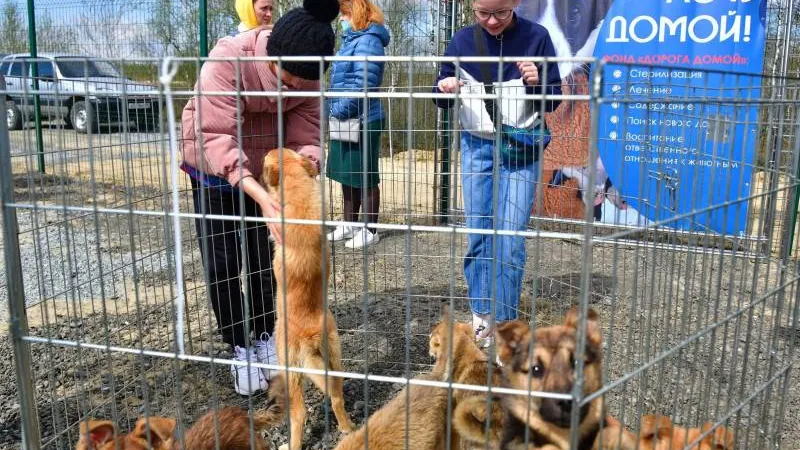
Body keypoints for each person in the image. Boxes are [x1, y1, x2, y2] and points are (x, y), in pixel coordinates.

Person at [180, 0, 339, 396]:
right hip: (215, 167)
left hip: (265, 169)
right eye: (287, 82)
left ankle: (266, 335)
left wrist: (306, 162)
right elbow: (215, 135)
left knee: (261, 257)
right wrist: (259, 195)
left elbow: (307, 133)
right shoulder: (228, 59)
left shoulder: (308, 77)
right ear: (272, 58)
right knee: (223, 263)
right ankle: (239, 346)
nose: (295, 91)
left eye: (304, 86)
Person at [433, 0, 562, 347]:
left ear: (515, 5)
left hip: (520, 149)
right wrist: (445, 88)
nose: (491, 21)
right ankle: (481, 313)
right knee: (479, 233)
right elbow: (439, 95)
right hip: (476, 147)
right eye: (482, 13)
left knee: (509, 237)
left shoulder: (538, 38)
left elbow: (554, 98)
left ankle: (505, 322)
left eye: (500, 13)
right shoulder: (461, 41)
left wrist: (537, 82)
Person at [325, 0, 390, 249]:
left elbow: (365, 81)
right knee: (345, 172)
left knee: (365, 173)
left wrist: (340, 108)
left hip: (364, 117)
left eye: (344, 14)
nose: (341, 19)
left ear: (355, 13)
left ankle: (369, 228)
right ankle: (349, 223)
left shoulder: (370, 40)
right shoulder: (351, 38)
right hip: (343, 115)